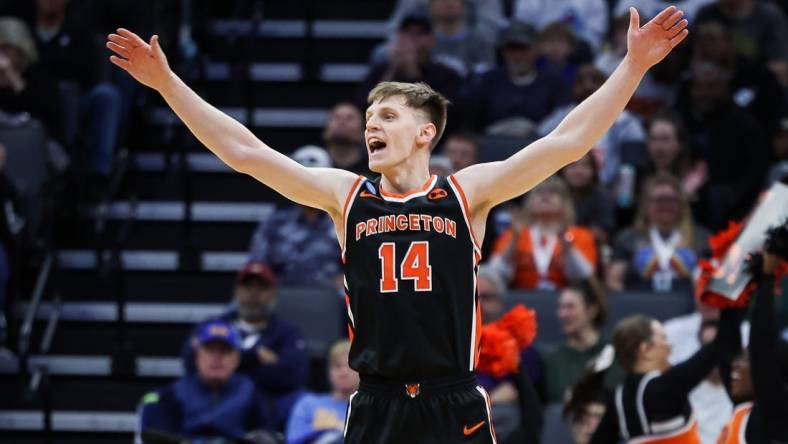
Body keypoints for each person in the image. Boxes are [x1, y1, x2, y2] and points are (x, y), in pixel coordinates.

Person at [108, 6, 689, 441]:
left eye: (386, 115)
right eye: (367, 118)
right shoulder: (346, 195)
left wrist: (633, 66)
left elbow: (567, 141)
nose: (371, 127)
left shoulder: (467, 193)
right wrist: (166, 84)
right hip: (377, 401)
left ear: (425, 132)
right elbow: (245, 153)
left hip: (452, 397)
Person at [181, 262, 309, 429]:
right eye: (247, 287)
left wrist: (227, 369)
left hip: (267, 411)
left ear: (273, 294)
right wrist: (254, 357)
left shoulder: (288, 333)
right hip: (210, 402)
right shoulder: (213, 325)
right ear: (236, 291)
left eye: (261, 288)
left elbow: (292, 375)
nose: (253, 294)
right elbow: (191, 363)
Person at [589, 306, 740, 443]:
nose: (670, 345)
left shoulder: (618, 400)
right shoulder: (664, 388)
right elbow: (722, 344)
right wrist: (729, 301)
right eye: (663, 338)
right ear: (645, 350)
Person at [139, 320, 276, 442]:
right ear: (197, 356)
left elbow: (266, 433)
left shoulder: (252, 394)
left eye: (225, 351)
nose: (216, 358)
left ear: (237, 359)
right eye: (210, 350)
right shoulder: (173, 394)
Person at [716, 234, 788, 443]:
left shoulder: (778, 412)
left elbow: (762, 346)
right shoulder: (744, 408)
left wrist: (766, 278)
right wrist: (733, 285)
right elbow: (725, 347)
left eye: (747, 359)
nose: (735, 365)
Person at [537, 63, 646, 187]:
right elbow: (537, 141)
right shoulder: (561, 116)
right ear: (572, 87)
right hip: (564, 189)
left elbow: (631, 164)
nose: (587, 86)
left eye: (595, 80)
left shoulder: (625, 121)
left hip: (610, 190)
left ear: (608, 85)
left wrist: (622, 199)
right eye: (580, 81)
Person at [248, 146, 342, 287]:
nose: (309, 186)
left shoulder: (343, 223)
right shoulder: (274, 223)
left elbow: (361, 268)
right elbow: (257, 266)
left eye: (316, 179)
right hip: (281, 301)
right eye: (303, 179)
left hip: (334, 302)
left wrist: (344, 280)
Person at [607, 173, 710, 292]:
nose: (665, 205)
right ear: (645, 204)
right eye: (659, 200)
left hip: (689, 306)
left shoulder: (701, 238)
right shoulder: (628, 239)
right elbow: (614, 282)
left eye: (671, 200)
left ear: (681, 203)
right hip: (640, 306)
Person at [491, 177, 598, 291]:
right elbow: (495, 274)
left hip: (566, 301)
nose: (545, 196)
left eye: (553, 192)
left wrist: (565, 242)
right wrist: (514, 240)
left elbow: (585, 277)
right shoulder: (514, 234)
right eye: (539, 192)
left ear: (565, 202)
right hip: (521, 300)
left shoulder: (580, 235)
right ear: (529, 202)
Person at [469, 20, 571, 136]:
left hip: (538, 147)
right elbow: (472, 123)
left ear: (536, 49)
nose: (517, 56)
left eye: (523, 48)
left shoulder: (553, 83)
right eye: (512, 49)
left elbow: (563, 118)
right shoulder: (488, 81)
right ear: (503, 51)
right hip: (492, 145)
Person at [543, 279, 609, 404]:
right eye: (560, 307)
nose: (562, 314)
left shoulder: (613, 353)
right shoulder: (552, 360)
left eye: (570, 307)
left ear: (592, 311)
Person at [285, 340, 359, 444]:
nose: (343, 372)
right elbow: (293, 441)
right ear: (329, 371)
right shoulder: (307, 404)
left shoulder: (369, 411)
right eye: (337, 366)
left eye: (350, 366)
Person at [560, 152, 617, 248]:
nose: (579, 171)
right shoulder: (555, 195)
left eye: (585, 166)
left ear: (594, 170)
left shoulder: (602, 198)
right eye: (572, 165)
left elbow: (602, 235)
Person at [322, 102, 372, 178]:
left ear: (363, 130)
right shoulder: (313, 163)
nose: (342, 122)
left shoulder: (373, 169)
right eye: (336, 117)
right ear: (326, 129)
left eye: (350, 118)